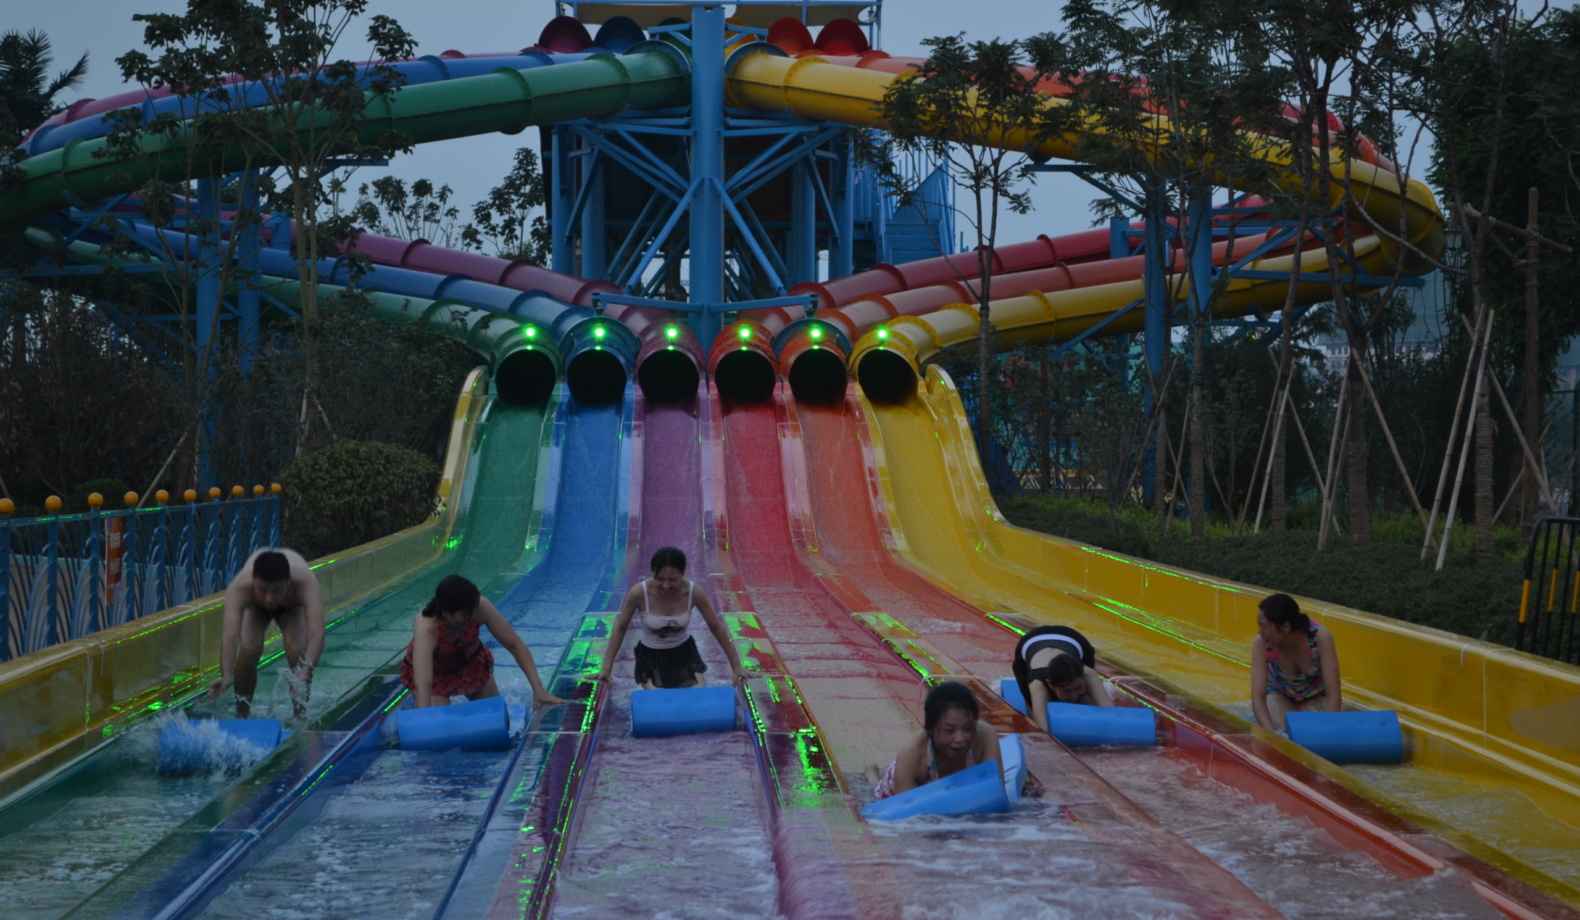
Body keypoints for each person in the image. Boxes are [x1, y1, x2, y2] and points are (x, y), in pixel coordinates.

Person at [401, 574, 567, 708]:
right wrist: (422, 719)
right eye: (465, 612)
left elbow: (515, 645)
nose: (472, 616)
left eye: (473, 609)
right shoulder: (428, 627)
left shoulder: (479, 607)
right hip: (435, 674)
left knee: (498, 720)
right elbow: (423, 681)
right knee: (439, 726)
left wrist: (538, 688)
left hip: (470, 665)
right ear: (445, 612)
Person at [593, 546, 748, 688]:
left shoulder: (694, 592)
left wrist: (736, 667)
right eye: (660, 578)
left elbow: (716, 627)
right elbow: (620, 628)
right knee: (658, 701)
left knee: (697, 695)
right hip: (650, 656)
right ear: (651, 571)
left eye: (673, 579)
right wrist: (606, 669)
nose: (666, 586)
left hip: (684, 653)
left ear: (683, 572)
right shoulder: (639, 593)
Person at [207, 547, 325, 720]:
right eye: (262, 589)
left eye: (276, 590)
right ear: (254, 580)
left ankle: (300, 716)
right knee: (249, 647)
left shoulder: (306, 583)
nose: (269, 599)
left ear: (288, 583)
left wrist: (307, 670)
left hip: (291, 607)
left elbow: (318, 635)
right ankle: (242, 714)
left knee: (297, 648)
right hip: (256, 609)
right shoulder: (240, 588)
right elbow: (230, 637)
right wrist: (225, 675)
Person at [866, 681, 1004, 799]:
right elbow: (908, 818)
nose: (960, 739)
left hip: (943, 790)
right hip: (896, 784)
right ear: (930, 729)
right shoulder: (912, 754)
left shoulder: (985, 735)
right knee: (876, 791)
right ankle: (873, 776)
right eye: (949, 731)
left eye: (968, 728)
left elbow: (996, 792)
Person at [1251, 592, 1342, 733]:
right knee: (1284, 731)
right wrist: (1271, 736)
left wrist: (1327, 732)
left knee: (1312, 730)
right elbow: (1258, 698)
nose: (1260, 632)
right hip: (1279, 695)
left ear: (1285, 627)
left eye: (1264, 627)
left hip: (1315, 696)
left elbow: (1334, 694)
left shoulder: (1320, 638)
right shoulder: (1262, 644)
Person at [1011, 624, 1114, 734]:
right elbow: (1042, 730)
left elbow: (1111, 714)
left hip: (1073, 638)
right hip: (1030, 642)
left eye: (1079, 687)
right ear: (1050, 684)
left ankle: (1074, 690)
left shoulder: (1087, 673)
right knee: (1033, 715)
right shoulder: (1037, 684)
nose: (1074, 696)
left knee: (1086, 700)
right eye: (1067, 691)